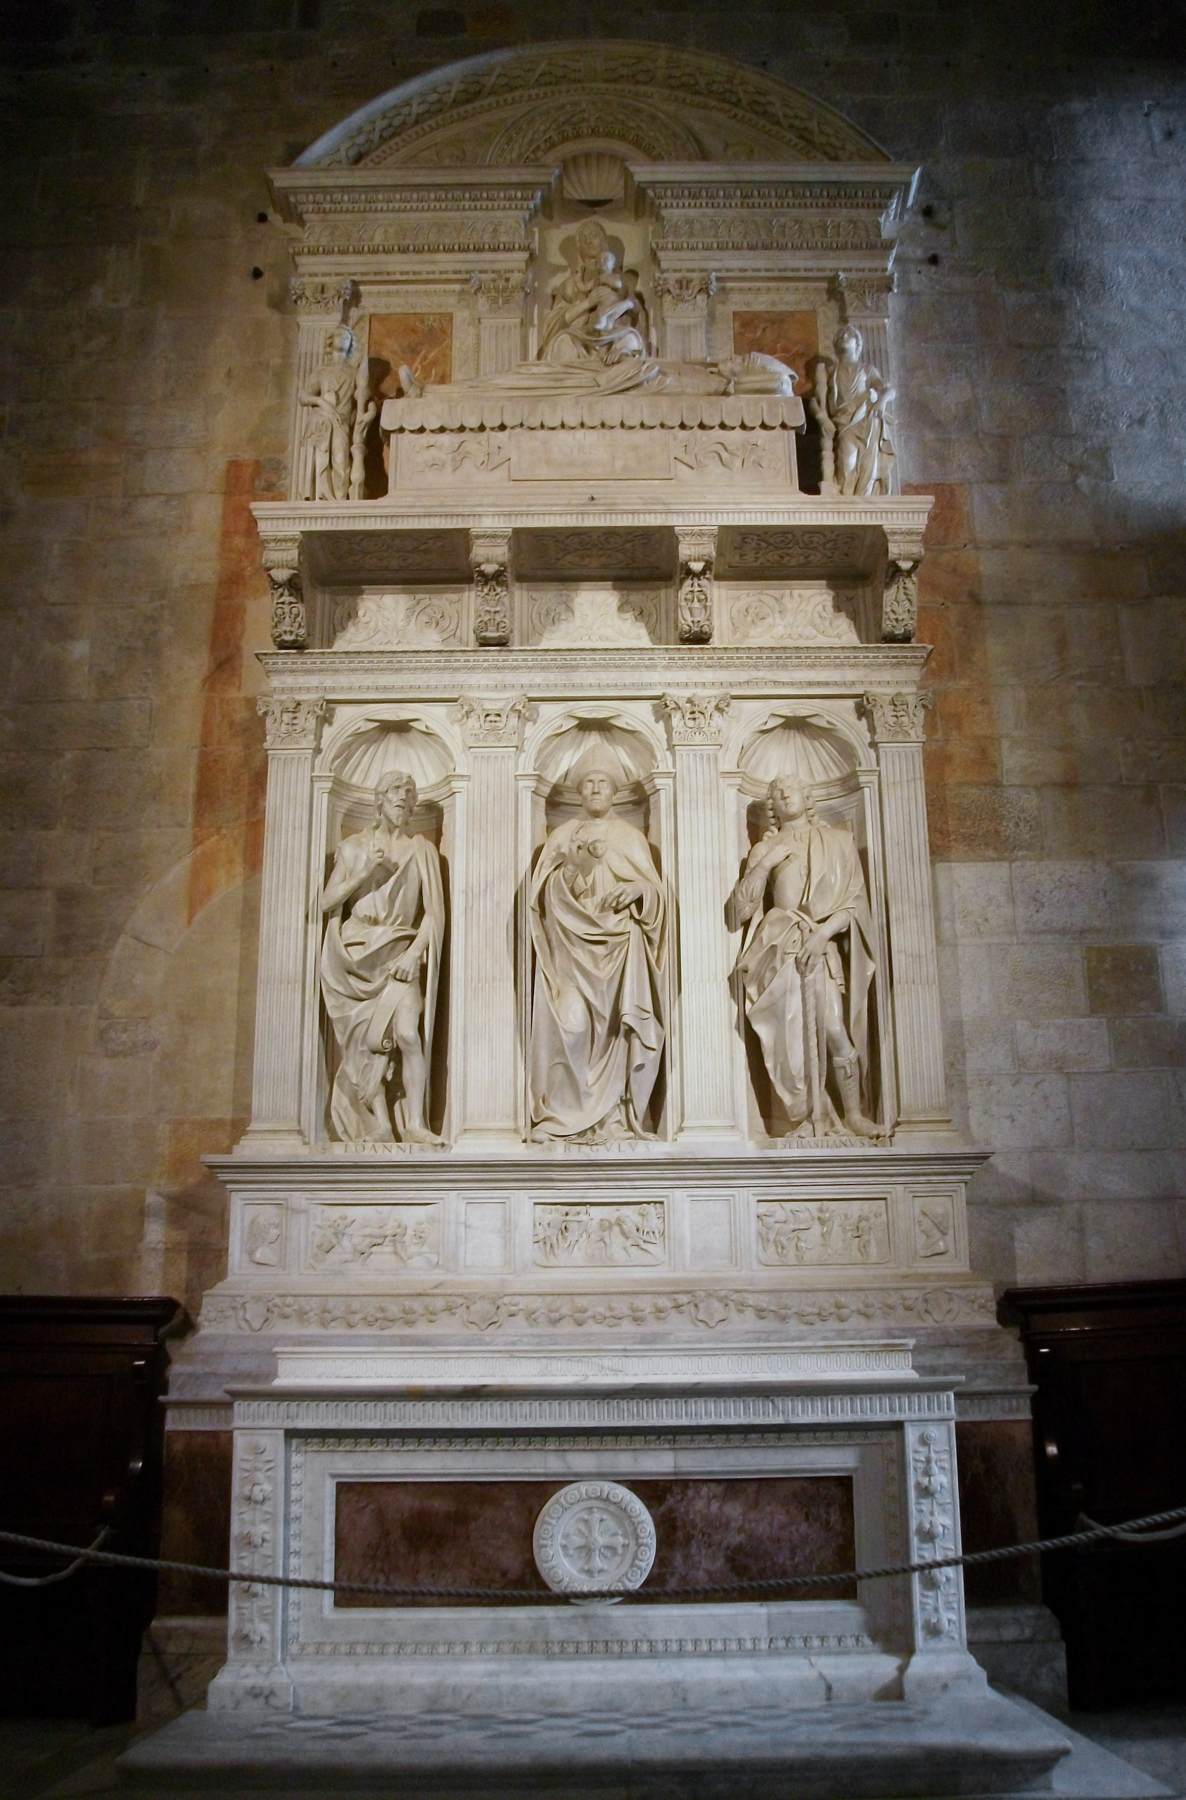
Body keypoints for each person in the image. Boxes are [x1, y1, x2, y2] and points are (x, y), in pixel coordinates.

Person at [727, 776, 880, 1138]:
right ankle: (808, 1117)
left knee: (833, 1028)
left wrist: (823, 935)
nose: (784, 793)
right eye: (777, 791)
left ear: (807, 796)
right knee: (788, 1040)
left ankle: (854, 1114)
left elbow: (853, 905)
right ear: (772, 806)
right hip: (777, 947)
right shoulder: (766, 848)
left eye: (792, 787)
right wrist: (765, 865)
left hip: (819, 945)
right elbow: (739, 911)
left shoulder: (838, 842)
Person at [529, 762, 667, 1142]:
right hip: (570, 952)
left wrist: (640, 892)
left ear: (614, 791)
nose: (594, 786)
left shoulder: (630, 838)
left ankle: (615, 1119)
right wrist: (573, 867)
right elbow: (539, 899)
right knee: (570, 1025)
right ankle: (562, 1116)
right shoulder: (562, 836)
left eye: (601, 780)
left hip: (621, 952)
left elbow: (656, 896)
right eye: (588, 781)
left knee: (619, 1032)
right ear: (577, 791)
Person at [319, 771, 445, 1143]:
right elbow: (328, 902)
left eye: (409, 792)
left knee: (407, 1033)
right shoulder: (354, 847)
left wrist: (415, 953)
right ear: (379, 799)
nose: (403, 797)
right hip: (355, 955)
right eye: (395, 790)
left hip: (399, 950)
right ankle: (381, 1125)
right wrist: (365, 871)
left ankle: (417, 1124)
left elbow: (435, 913)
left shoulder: (421, 850)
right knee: (363, 1043)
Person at [810, 323, 895, 497]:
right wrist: (821, 416)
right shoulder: (831, 372)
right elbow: (816, 401)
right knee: (846, 463)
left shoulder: (867, 370)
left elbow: (889, 390)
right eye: (840, 335)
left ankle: (863, 501)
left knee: (867, 465)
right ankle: (847, 502)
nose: (843, 337)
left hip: (867, 420)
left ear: (858, 343)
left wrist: (881, 401)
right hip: (844, 424)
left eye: (847, 335)